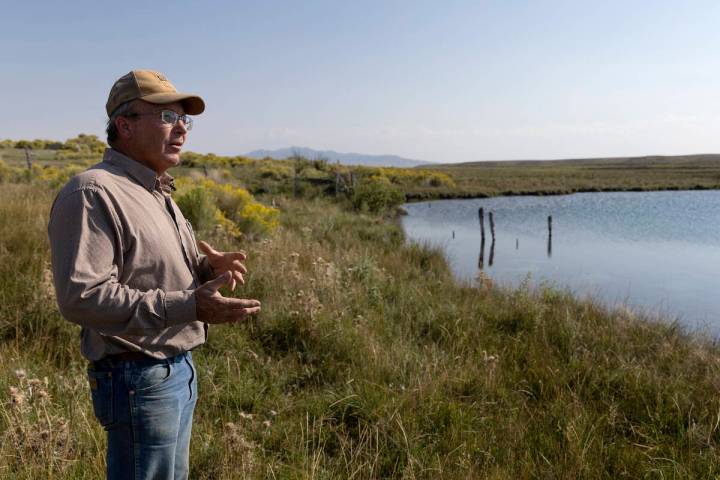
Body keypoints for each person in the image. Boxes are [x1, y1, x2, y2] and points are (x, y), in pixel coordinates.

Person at [48, 70, 261, 480]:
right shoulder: (93, 192)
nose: (181, 127)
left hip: (174, 369)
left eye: (185, 119)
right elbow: (82, 297)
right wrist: (190, 304)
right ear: (124, 126)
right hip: (137, 377)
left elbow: (147, 272)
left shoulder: (155, 188)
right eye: (166, 116)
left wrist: (203, 270)